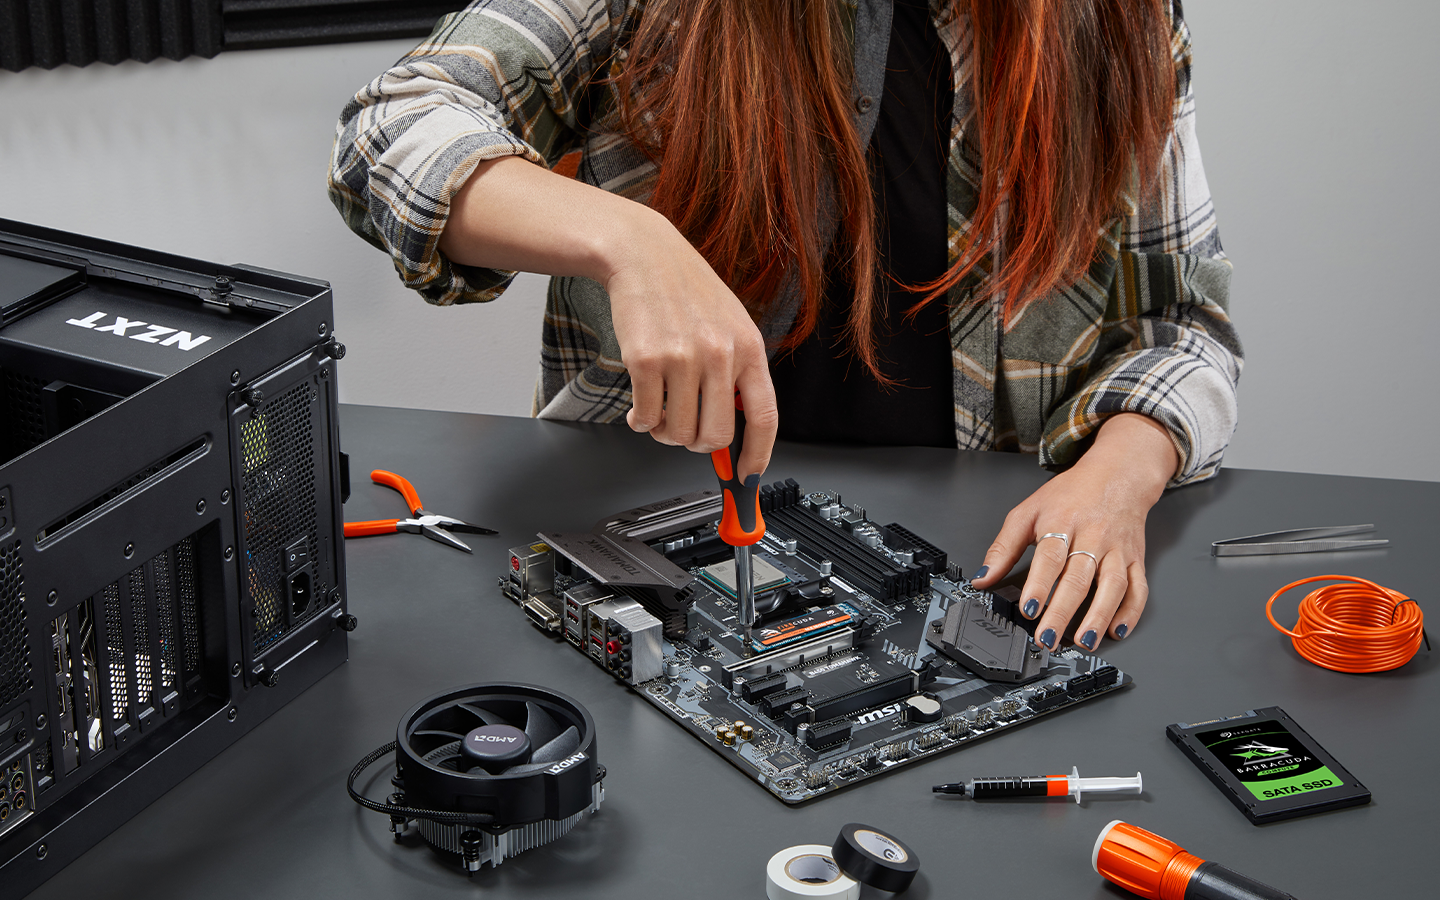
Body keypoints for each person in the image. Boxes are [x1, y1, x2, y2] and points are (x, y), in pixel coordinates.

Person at [328, 0, 1241, 654]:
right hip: (640, 544)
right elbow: (392, 130)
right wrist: (627, 240)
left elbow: (1181, 321)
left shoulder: (1126, 20)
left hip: (981, 570)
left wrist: (1123, 474)